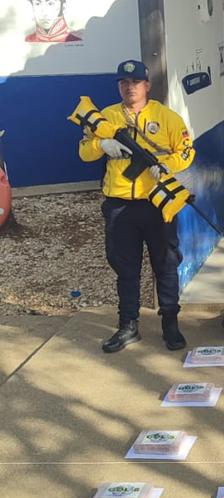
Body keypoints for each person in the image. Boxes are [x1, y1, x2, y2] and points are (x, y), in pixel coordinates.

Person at [79, 60, 195, 353]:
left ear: (147, 85)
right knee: (126, 268)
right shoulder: (105, 117)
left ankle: (170, 324)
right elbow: (84, 152)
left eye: (135, 82)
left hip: (157, 204)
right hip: (120, 206)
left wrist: (166, 165)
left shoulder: (165, 117)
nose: (129, 87)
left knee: (166, 265)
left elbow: (186, 152)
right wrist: (101, 145)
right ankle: (128, 326)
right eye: (123, 82)